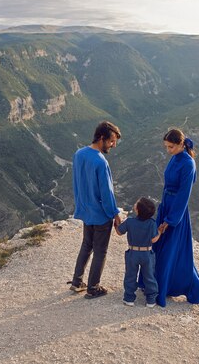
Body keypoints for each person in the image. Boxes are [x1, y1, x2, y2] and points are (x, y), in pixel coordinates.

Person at [150, 128, 199, 307]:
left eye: (171, 147)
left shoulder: (188, 164)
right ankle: (158, 285)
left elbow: (184, 195)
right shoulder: (175, 158)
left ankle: (193, 289)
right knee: (159, 248)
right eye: (166, 147)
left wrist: (170, 220)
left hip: (176, 212)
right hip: (166, 205)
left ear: (181, 144)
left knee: (172, 252)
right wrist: (162, 210)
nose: (168, 151)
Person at [68, 121, 122, 299]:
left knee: (86, 245)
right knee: (100, 251)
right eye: (111, 141)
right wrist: (114, 214)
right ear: (101, 138)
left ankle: (77, 282)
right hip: (100, 214)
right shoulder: (100, 161)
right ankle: (93, 287)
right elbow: (106, 193)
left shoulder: (79, 154)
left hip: (85, 209)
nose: (113, 145)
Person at [114, 197, 163, 308]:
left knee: (130, 276)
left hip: (132, 253)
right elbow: (153, 240)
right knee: (149, 276)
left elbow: (119, 232)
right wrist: (159, 232)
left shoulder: (130, 221)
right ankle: (151, 300)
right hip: (147, 254)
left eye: (136, 203)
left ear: (138, 210)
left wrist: (116, 223)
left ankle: (129, 298)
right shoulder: (152, 223)